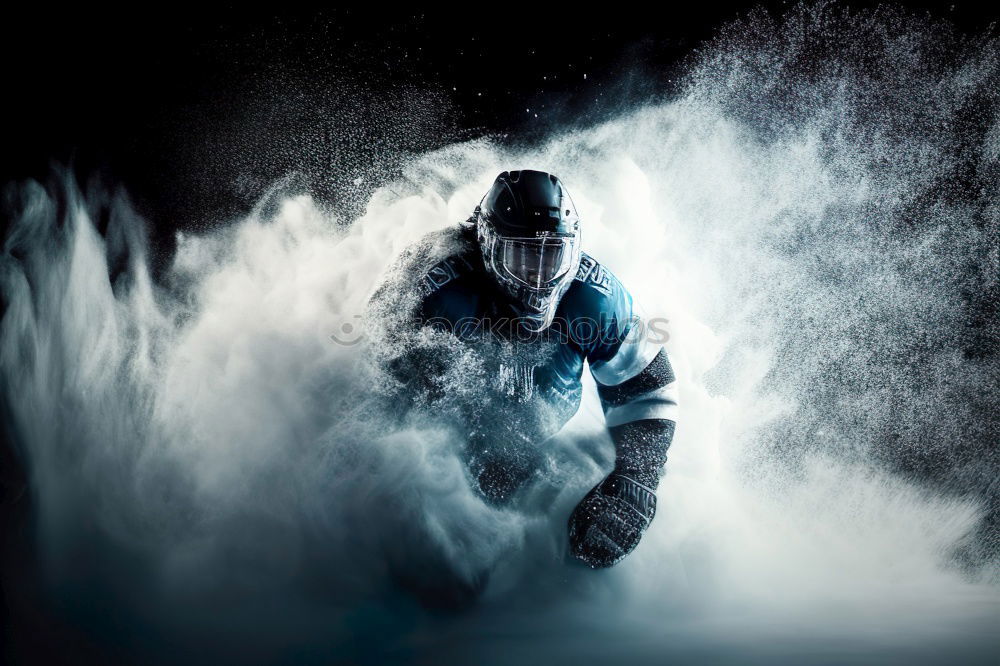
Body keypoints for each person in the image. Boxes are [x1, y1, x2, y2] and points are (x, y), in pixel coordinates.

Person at [369, 170, 678, 569]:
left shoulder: (597, 298)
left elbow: (647, 389)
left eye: (553, 256)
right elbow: (371, 397)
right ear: (487, 246)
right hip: (435, 455)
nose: (539, 278)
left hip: (535, 447)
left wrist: (638, 478)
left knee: (596, 539)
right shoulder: (427, 287)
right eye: (523, 255)